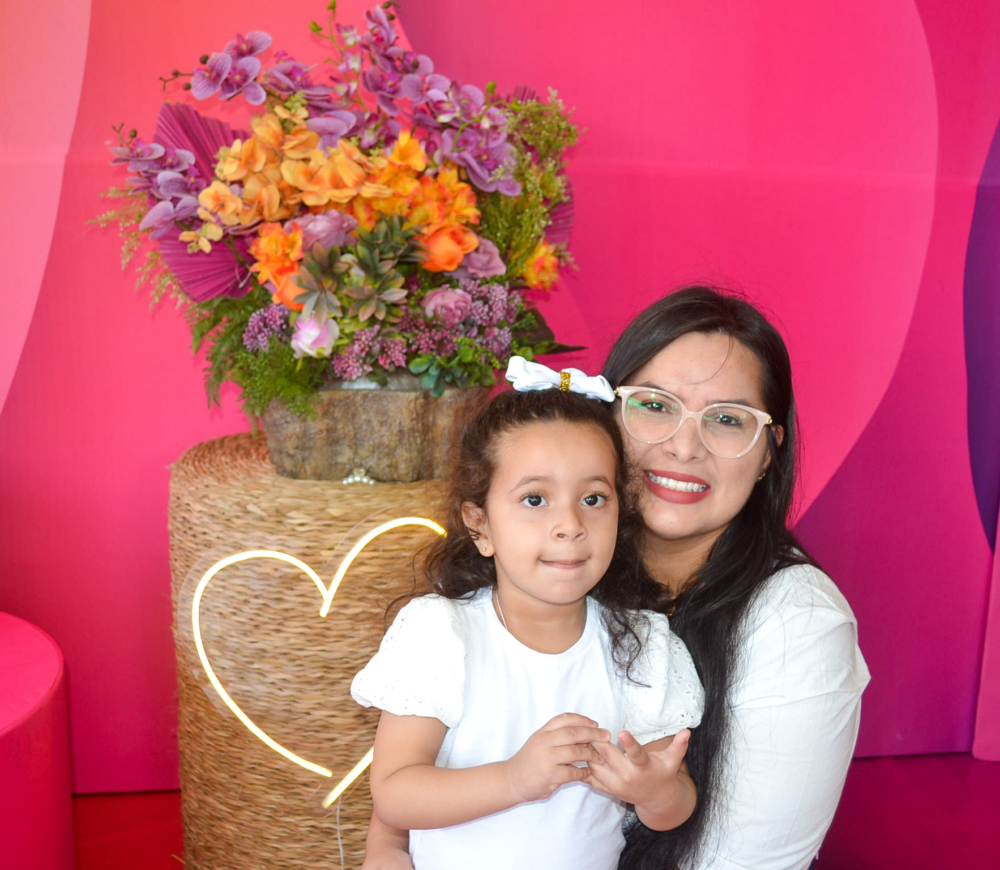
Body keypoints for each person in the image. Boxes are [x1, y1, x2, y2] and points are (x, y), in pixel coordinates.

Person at [363, 286, 870, 870]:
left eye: (727, 419)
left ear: (767, 453)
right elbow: (398, 790)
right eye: (654, 404)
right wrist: (390, 843)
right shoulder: (455, 628)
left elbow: (699, 820)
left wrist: (655, 790)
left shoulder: (658, 642)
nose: (684, 446)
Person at [351, 358, 705, 870]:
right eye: (535, 499)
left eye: (593, 498)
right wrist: (515, 779)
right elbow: (395, 794)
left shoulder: (641, 645)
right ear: (480, 525)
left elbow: (675, 804)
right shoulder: (442, 634)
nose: (570, 524)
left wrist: (654, 791)